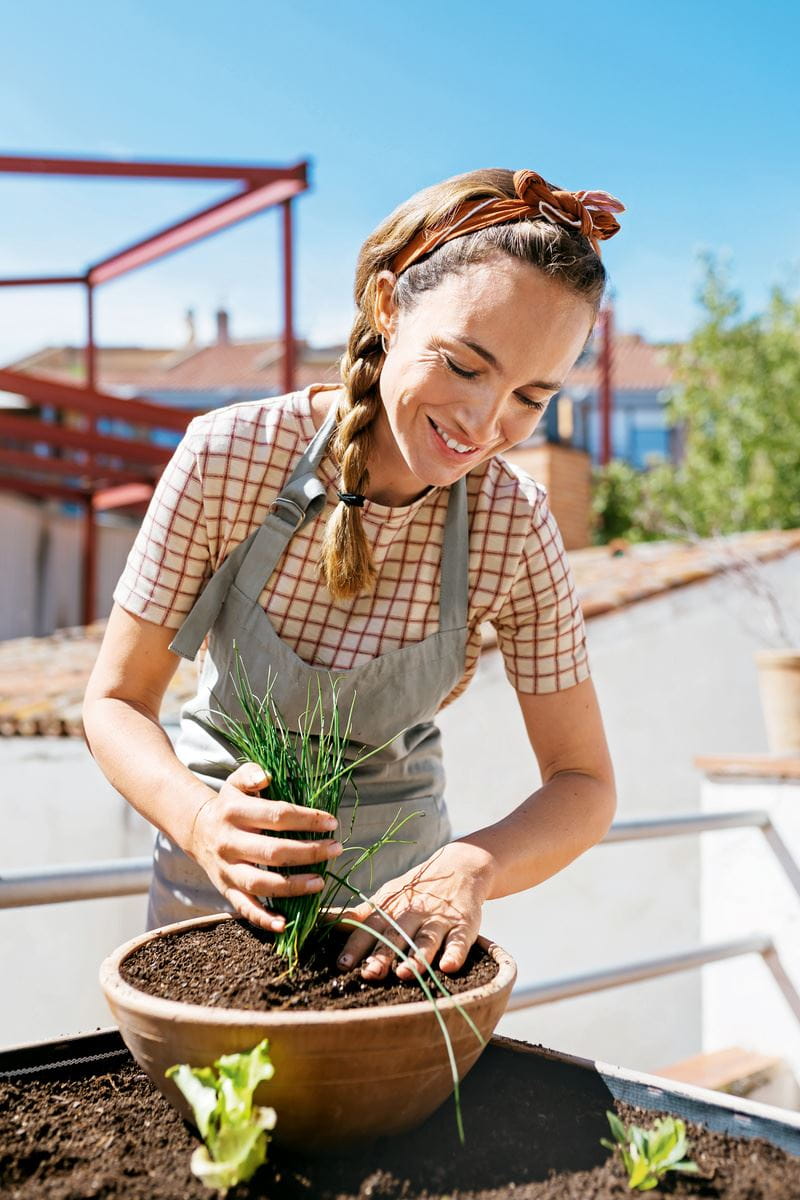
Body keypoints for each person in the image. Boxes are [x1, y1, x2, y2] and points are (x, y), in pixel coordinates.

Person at [83, 167, 621, 984]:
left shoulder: (516, 526)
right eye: (465, 365)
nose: (484, 424)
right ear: (386, 303)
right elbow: (116, 701)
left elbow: (584, 784)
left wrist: (469, 869)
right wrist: (201, 823)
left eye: (530, 397)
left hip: (405, 933)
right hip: (216, 901)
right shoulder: (231, 455)